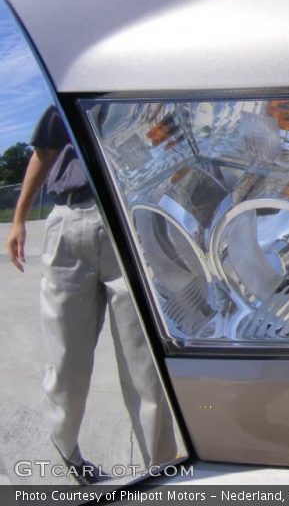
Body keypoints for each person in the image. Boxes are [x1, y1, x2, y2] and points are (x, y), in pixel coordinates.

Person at [5, 105, 177, 485]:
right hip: (68, 221)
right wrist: (18, 220)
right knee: (67, 359)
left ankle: (161, 470)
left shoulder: (146, 91)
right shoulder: (72, 80)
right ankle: (67, 452)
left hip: (131, 218)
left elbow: (173, 147)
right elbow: (44, 153)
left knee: (143, 366)